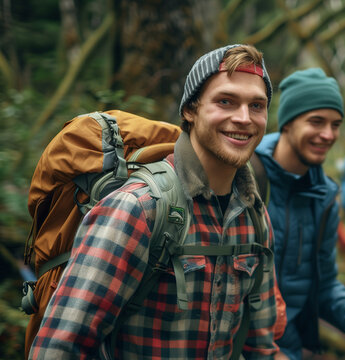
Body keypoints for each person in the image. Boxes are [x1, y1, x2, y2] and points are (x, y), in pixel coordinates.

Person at [29, 44, 280, 359]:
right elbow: (58, 348)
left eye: (257, 106)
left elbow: (261, 346)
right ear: (190, 110)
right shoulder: (137, 208)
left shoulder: (254, 216)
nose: (244, 118)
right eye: (225, 101)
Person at [253, 68, 345, 360]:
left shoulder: (324, 198)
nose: (328, 134)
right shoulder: (246, 179)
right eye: (316, 122)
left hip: (290, 345)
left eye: (335, 124)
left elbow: (322, 286)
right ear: (287, 123)